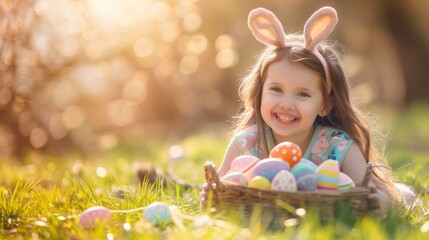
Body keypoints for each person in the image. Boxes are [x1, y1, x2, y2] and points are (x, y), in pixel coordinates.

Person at [204, 6, 415, 215]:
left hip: (327, 220)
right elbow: (219, 189)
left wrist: (381, 203)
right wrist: (210, 197)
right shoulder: (247, 144)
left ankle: (407, 193)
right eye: (276, 89)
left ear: (325, 105)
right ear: (260, 92)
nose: (286, 103)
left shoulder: (337, 147)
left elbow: (372, 193)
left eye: (303, 94)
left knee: (401, 196)